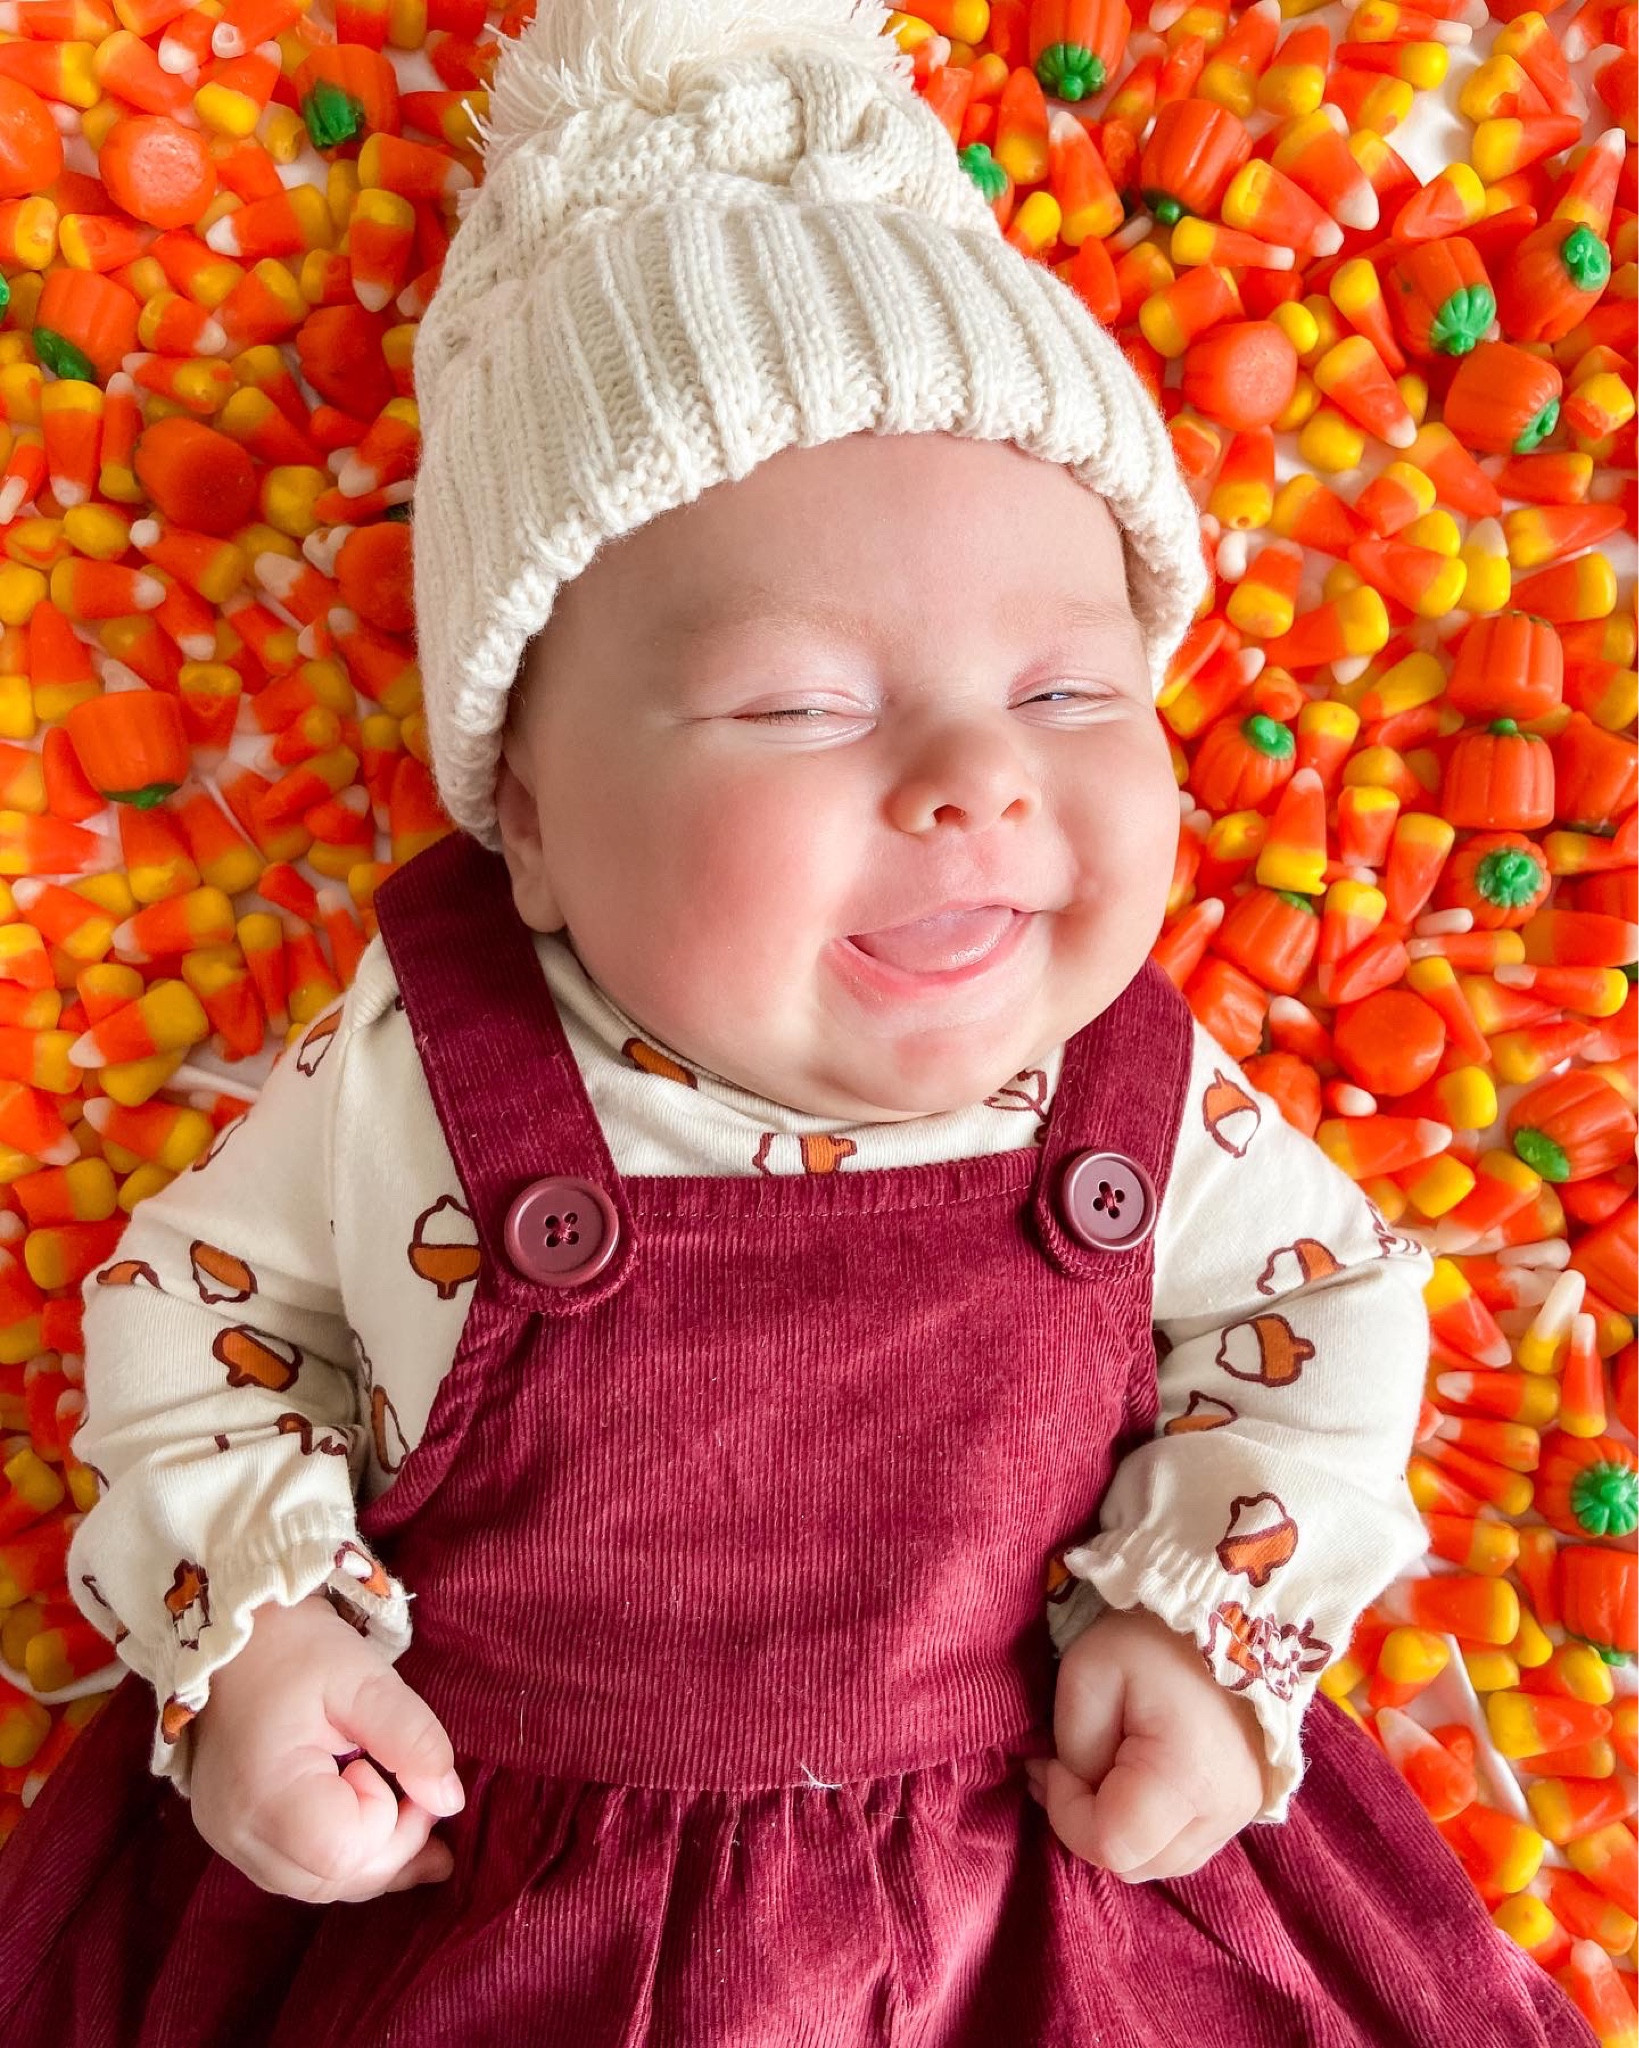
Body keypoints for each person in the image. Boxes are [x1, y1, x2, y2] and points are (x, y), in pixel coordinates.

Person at [0, 4, 1599, 2044]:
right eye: (795, 708)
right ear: (533, 827)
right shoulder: (430, 1067)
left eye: (1067, 695)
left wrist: (1208, 1630)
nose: (973, 781)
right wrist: (266, 1639)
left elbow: (1331, 1314)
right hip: (502, 1894)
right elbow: (196, 1319)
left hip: (1048, 1903)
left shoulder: (1139, 1101)